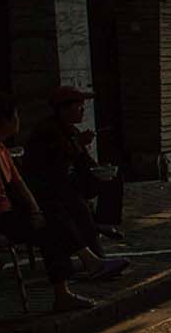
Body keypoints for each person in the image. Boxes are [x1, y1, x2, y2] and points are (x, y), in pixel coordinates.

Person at [0, 91, 124, 312]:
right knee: (56, 220)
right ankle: (85, 267)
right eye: (15, 116)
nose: (18, 121)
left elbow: (19, 184)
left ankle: (81, 271)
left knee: (53, 218)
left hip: (10, 211)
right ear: (3, 120)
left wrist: (36, 211)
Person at [24, 85, 125, 253]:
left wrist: (100, 170)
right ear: (63, 109)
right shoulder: (47, 130)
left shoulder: (71, 129)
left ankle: (103, 221)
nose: (82, 110)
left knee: (113, 178)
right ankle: (97, 255)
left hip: (72, 180)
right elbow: (55, 163)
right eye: (78, 105)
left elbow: (84, 161)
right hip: (50, 186)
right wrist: (78, 144)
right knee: (77, 205)